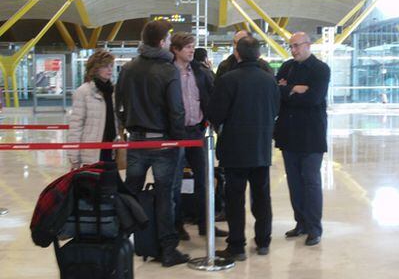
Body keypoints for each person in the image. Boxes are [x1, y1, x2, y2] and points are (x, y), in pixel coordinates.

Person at [115, 20, 189, 267]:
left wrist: (128, 127)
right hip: (163, 144)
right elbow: (176, 110)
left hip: (136, 142)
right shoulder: (168, 71)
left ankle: (120, 242)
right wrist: (176, 137)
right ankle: (168, 249)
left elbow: (120, 106)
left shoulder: (128, 69)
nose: (169, 42)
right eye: (168, 39)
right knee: (164, 195)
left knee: (131, 192)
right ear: (161, 42)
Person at [208, 36, 280, 261]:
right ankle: (263, 241)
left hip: (234, 150)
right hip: (260, 148)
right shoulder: (270, 80)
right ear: (258, 55)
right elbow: (275, 109)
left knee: (235, 199)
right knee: (262, 196)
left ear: (236, 53)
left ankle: (237, 246)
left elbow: (215, 114)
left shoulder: (228, 80)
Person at [274, 32, 330, 246]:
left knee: (311, 180)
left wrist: (286, 90)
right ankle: (301, 223)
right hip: (288, 133)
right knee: (294, 181)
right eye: (291, 46)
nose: (294, 50)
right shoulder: (287, 66)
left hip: (311, 134)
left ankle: (314, 228)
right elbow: (276, 92)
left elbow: (314, 98)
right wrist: (293, 89)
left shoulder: (320, 69)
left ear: (308, 45)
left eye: (297, 46)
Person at [169, 32, 228, 241]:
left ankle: (206, 223)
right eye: (187, 47)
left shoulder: (200, 72)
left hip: (197, 132)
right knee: (175, 182)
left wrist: (210, 120)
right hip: (175, 134)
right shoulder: (167, 72)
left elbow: (210, 97)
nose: (192, 50)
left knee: (204, 180)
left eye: (193, 47)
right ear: (175, 50)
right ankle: (177, 225)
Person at [68, 49, 117, 169]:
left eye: (111, 66)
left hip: (110, 149)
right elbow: (76, 125)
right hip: (92, 152)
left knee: (108, 185)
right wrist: (74, 157)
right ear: (95, 68)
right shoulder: (83, 92)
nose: (110, 69)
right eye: (105, 66)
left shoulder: (112, 92)